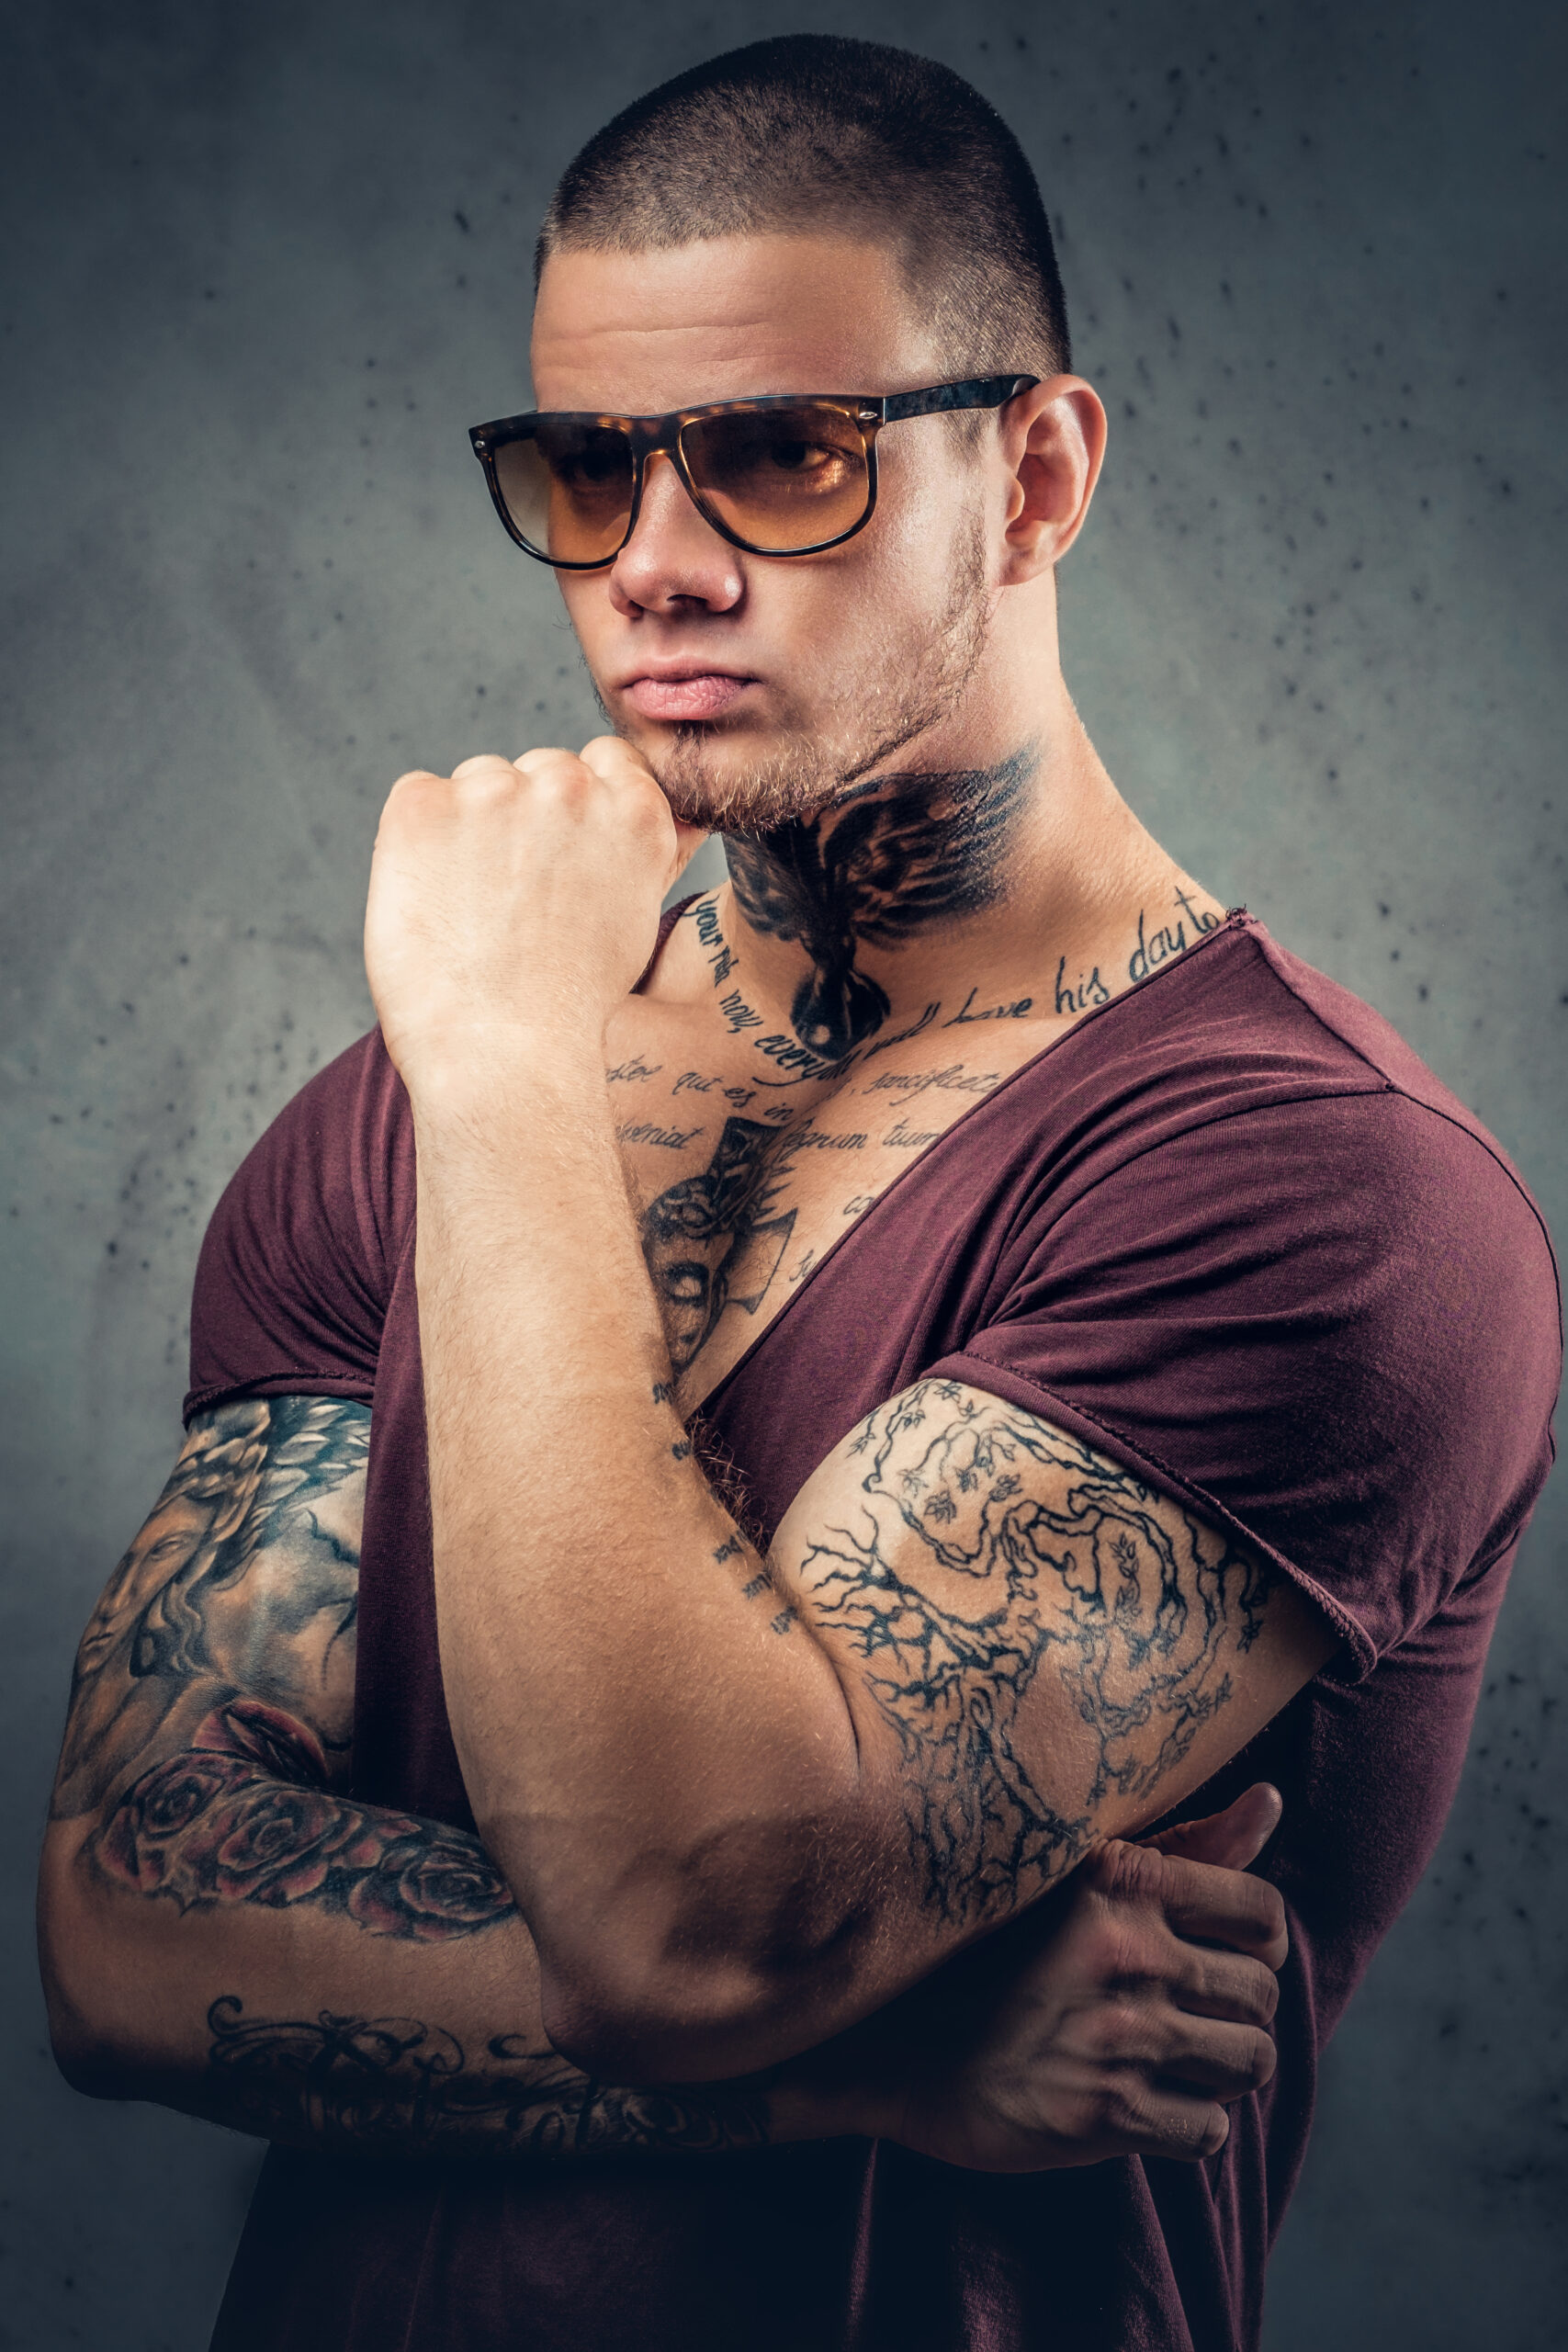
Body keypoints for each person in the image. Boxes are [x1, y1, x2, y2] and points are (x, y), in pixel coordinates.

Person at [38, 34, 1559, 2352]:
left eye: (779, 454)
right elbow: (135, 1929)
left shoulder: (1316, 1188)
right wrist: (873, 2051)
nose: (654, 565)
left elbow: (703, 1918)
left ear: (1033, 473)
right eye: (585, 465)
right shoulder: (405, 1109)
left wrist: (520, 1089)